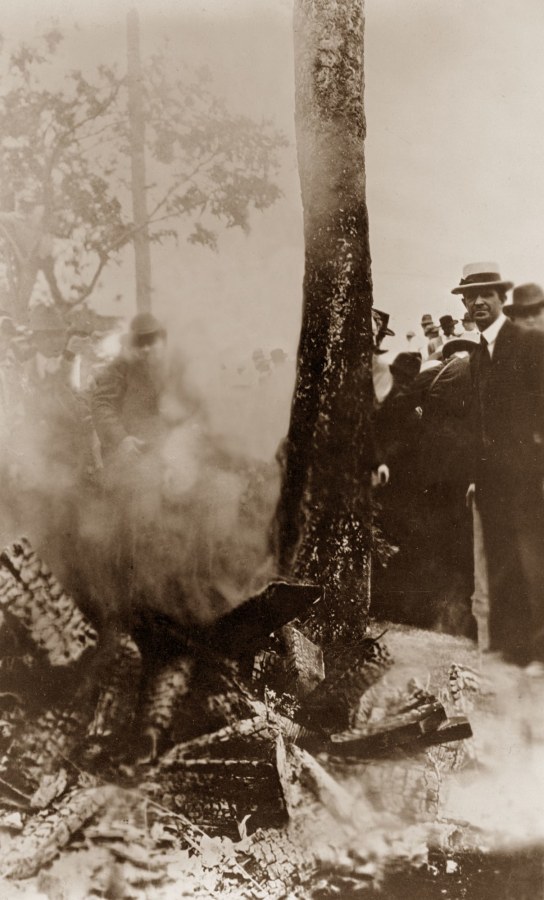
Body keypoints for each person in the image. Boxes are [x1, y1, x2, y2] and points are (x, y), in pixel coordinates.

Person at [451, 262, 544, 670]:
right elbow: (479, 422)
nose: (478, 302)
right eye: (471, 297)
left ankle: (539, 651)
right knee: (501, 561)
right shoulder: (476, 356)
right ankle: (513, 651)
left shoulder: (528, 341)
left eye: (486, 294)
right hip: (491, 480)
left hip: (527, 475)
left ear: (502, 299)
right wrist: (475, 476)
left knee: (532, 560)